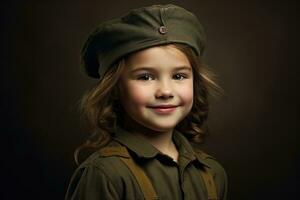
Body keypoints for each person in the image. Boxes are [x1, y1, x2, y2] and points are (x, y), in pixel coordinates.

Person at [65, 4, 228, 200]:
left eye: (179, 76)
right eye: (145, 77)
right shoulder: (106, 174)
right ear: (115, 88)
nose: (166, 91)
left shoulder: (212, 173)